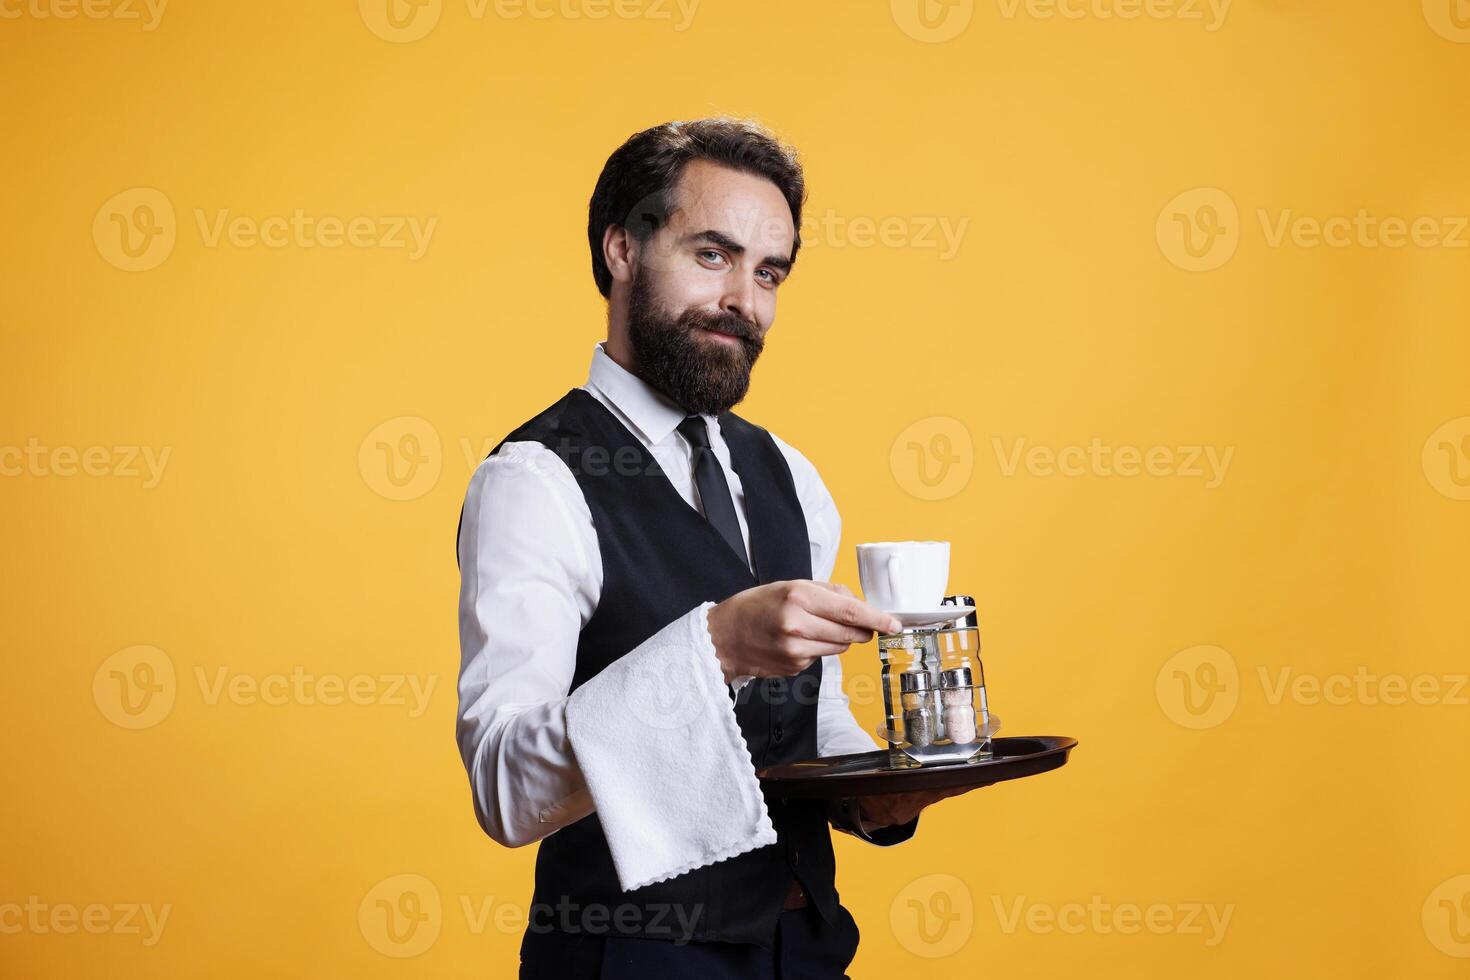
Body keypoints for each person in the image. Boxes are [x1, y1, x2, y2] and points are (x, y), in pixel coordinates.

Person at [456, 117, 963, 979]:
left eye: (769, 272)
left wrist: (878, 792)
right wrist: (716, 647)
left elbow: (813, 714)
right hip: (628, 960)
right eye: (712, 256)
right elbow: (504, 786)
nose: (746, 302)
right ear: (621, 249)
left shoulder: (792, 476)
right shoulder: (534, 481)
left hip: (805, 948)